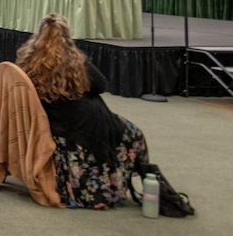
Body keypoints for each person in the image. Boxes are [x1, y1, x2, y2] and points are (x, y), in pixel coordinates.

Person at [17, 13, 149, 209]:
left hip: (55, 123)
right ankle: (123, 183)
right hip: (80, 126)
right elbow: (101, 85)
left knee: (120, 128)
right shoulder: (75, 62)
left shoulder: (28, 60)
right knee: (132, 133)